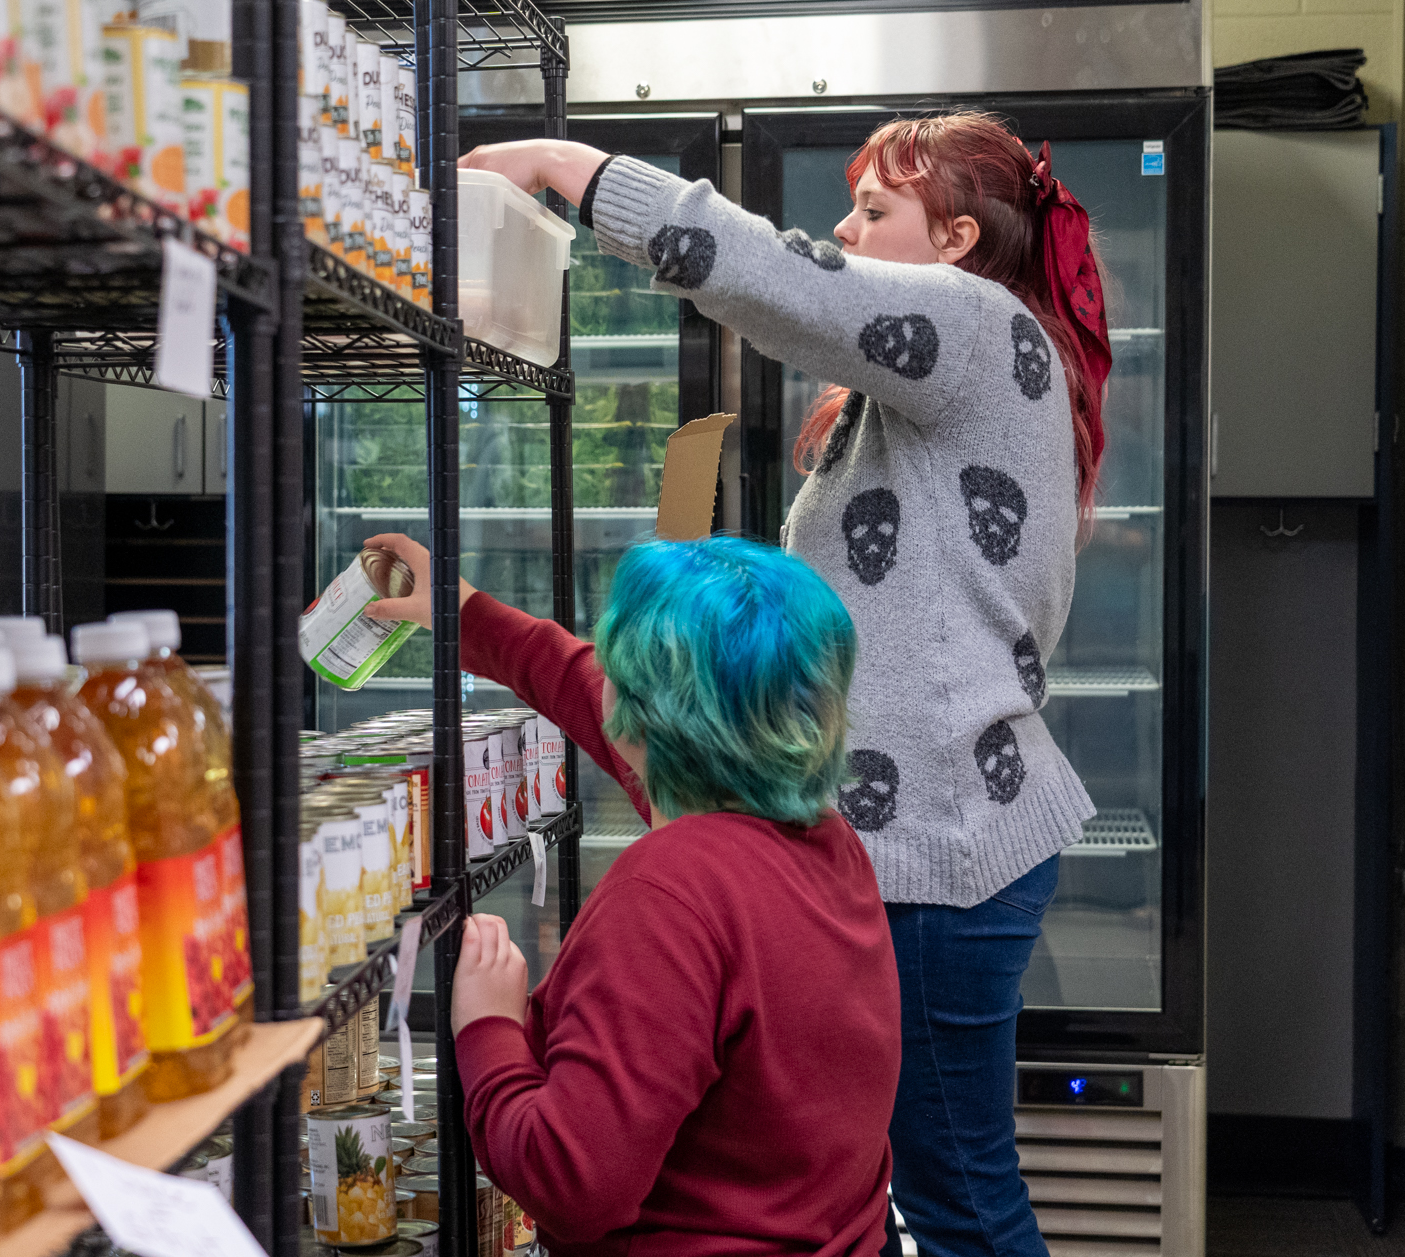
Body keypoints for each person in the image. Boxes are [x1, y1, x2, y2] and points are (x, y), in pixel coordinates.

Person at [460, 112, 1108, 1257]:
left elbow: (772, 273)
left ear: (957, 240)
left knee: (959, 1202)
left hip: (935, 852)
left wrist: (562, 168)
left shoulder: (972, 321)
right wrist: (468, 622)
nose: (841, 230)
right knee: (928, 1189)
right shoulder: (920, 391)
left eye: (873, 212)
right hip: (921, 834)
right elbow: (714, 706)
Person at [363, 530, 899, 1257]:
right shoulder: (824, 838)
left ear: (648, 720)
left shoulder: (667, 896)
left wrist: (488, 1029)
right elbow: (586, 689)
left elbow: (571, 1183)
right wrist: (468, 617)